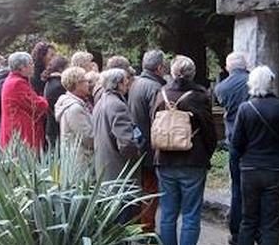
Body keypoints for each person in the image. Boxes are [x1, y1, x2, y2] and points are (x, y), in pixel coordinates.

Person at [153, 55, 217, 245]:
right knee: (190, 214)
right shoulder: (199, 96)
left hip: (164, 159)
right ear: (193, 73)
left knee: (167, 213)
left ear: (172, 72)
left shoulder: (161, 93)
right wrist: (207, 154)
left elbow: (153, 122)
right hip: (192, 160)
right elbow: (209, 130)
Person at [232, 66, 279, 245]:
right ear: (271, 83)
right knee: (271, 222)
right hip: (275, 169)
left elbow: (236, 143)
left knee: (248, 220)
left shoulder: (245, 109)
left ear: (251, 83)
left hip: (250, 169)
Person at [127, 49, 167, 232]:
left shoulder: (135, 83)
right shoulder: (155, 88)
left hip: (139, 145)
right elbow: (158, 122)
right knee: (150, 193)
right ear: (159, 68)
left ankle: (140, 228)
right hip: (150, 149)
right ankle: (146, 232)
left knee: (142, 191)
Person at [213, 52, 249, 245]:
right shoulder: (255, 81)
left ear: (228, 68)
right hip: (255, 141)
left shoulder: (222, 88)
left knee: (237, 188)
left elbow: (223, 103)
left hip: (235, 140)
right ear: (246, 65)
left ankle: (236, 232)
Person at [93, 68, 140, 181]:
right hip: (118, 167)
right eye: (125, 81)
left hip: (104, 164)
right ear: (118, 84)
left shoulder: (101, 102)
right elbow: (126, 142)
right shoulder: (117, 105)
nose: (127, 83)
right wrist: (137, 154)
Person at [0, 52, 49, 151]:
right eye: (31, 64)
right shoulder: (17, 83)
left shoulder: (13, 80)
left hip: (15, 129)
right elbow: (38, 105)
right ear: (22, 67)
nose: (33, 66)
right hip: (21, 133)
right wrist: (44, 99)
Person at [55, 67, 94, 171]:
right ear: (77, 84)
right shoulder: (74, 109)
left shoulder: (77, 103)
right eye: (85, 81)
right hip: (81, 162)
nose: (88, 84)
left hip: (77, 159)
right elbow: (87, 137)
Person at [43, 56, 69, 149]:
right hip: (55, 129)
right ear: (61, 69)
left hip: (51, 126)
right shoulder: (58, 85)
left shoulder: (50, 82)